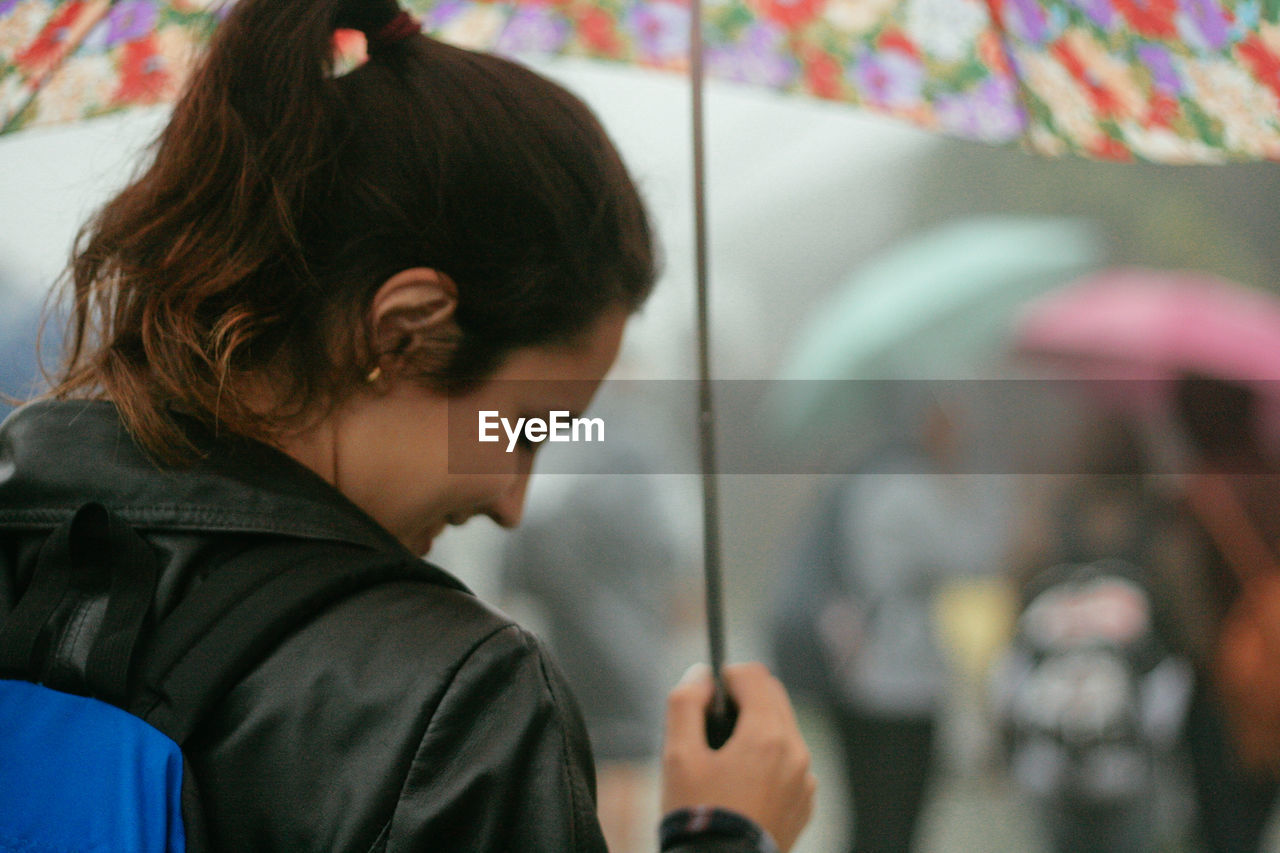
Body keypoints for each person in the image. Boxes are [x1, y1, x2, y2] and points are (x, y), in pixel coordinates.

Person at [0, 1, 815, 850]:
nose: (512, 501)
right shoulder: (455, 710)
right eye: (523, 430)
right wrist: (727, 832)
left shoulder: (23, 561)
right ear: (402, 331)